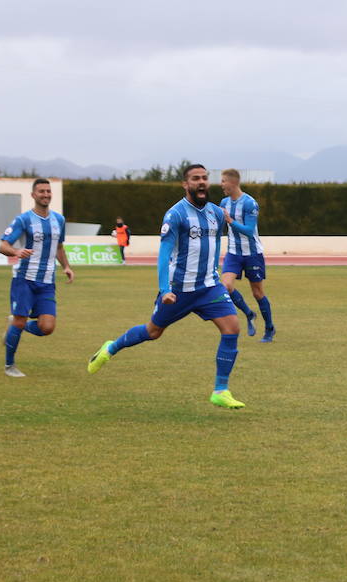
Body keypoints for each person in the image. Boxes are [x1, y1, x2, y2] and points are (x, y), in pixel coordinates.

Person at [87, 164, 245, 409]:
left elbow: (213, 246)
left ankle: (220, 390)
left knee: (232, 328)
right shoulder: (175, 215)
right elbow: (163, 254)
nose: (201, 182)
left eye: (204, 178)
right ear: (185, 184)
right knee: (153, 332)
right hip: (179, 289)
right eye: (195, 179)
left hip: (209, 287)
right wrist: (164, 289)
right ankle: (112, 347)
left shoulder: (216, 212)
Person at [0, 178, 75, 377]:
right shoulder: (23, 220)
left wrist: (66, 266)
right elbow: (3, 245)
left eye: (48, 191)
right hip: (24, 279)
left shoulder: (59, 220)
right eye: (41, 191)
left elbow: (59, 247)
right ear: (33, 195)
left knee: (47, 327)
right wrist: (16, 252)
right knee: (20, 320)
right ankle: (9, 365)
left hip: (47, 281)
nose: (46, 194)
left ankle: (16, 326)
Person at [219, 168, 276, 343]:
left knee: (258, 293)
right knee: (225, 287)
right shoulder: (223, 202)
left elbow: (249, 231)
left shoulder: (250, 203)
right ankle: (249, 314)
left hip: (252, 254)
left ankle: (269, 328)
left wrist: (230, 221)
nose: (221, 185)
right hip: (233, 253)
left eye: (223, 181)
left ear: (233, 182)